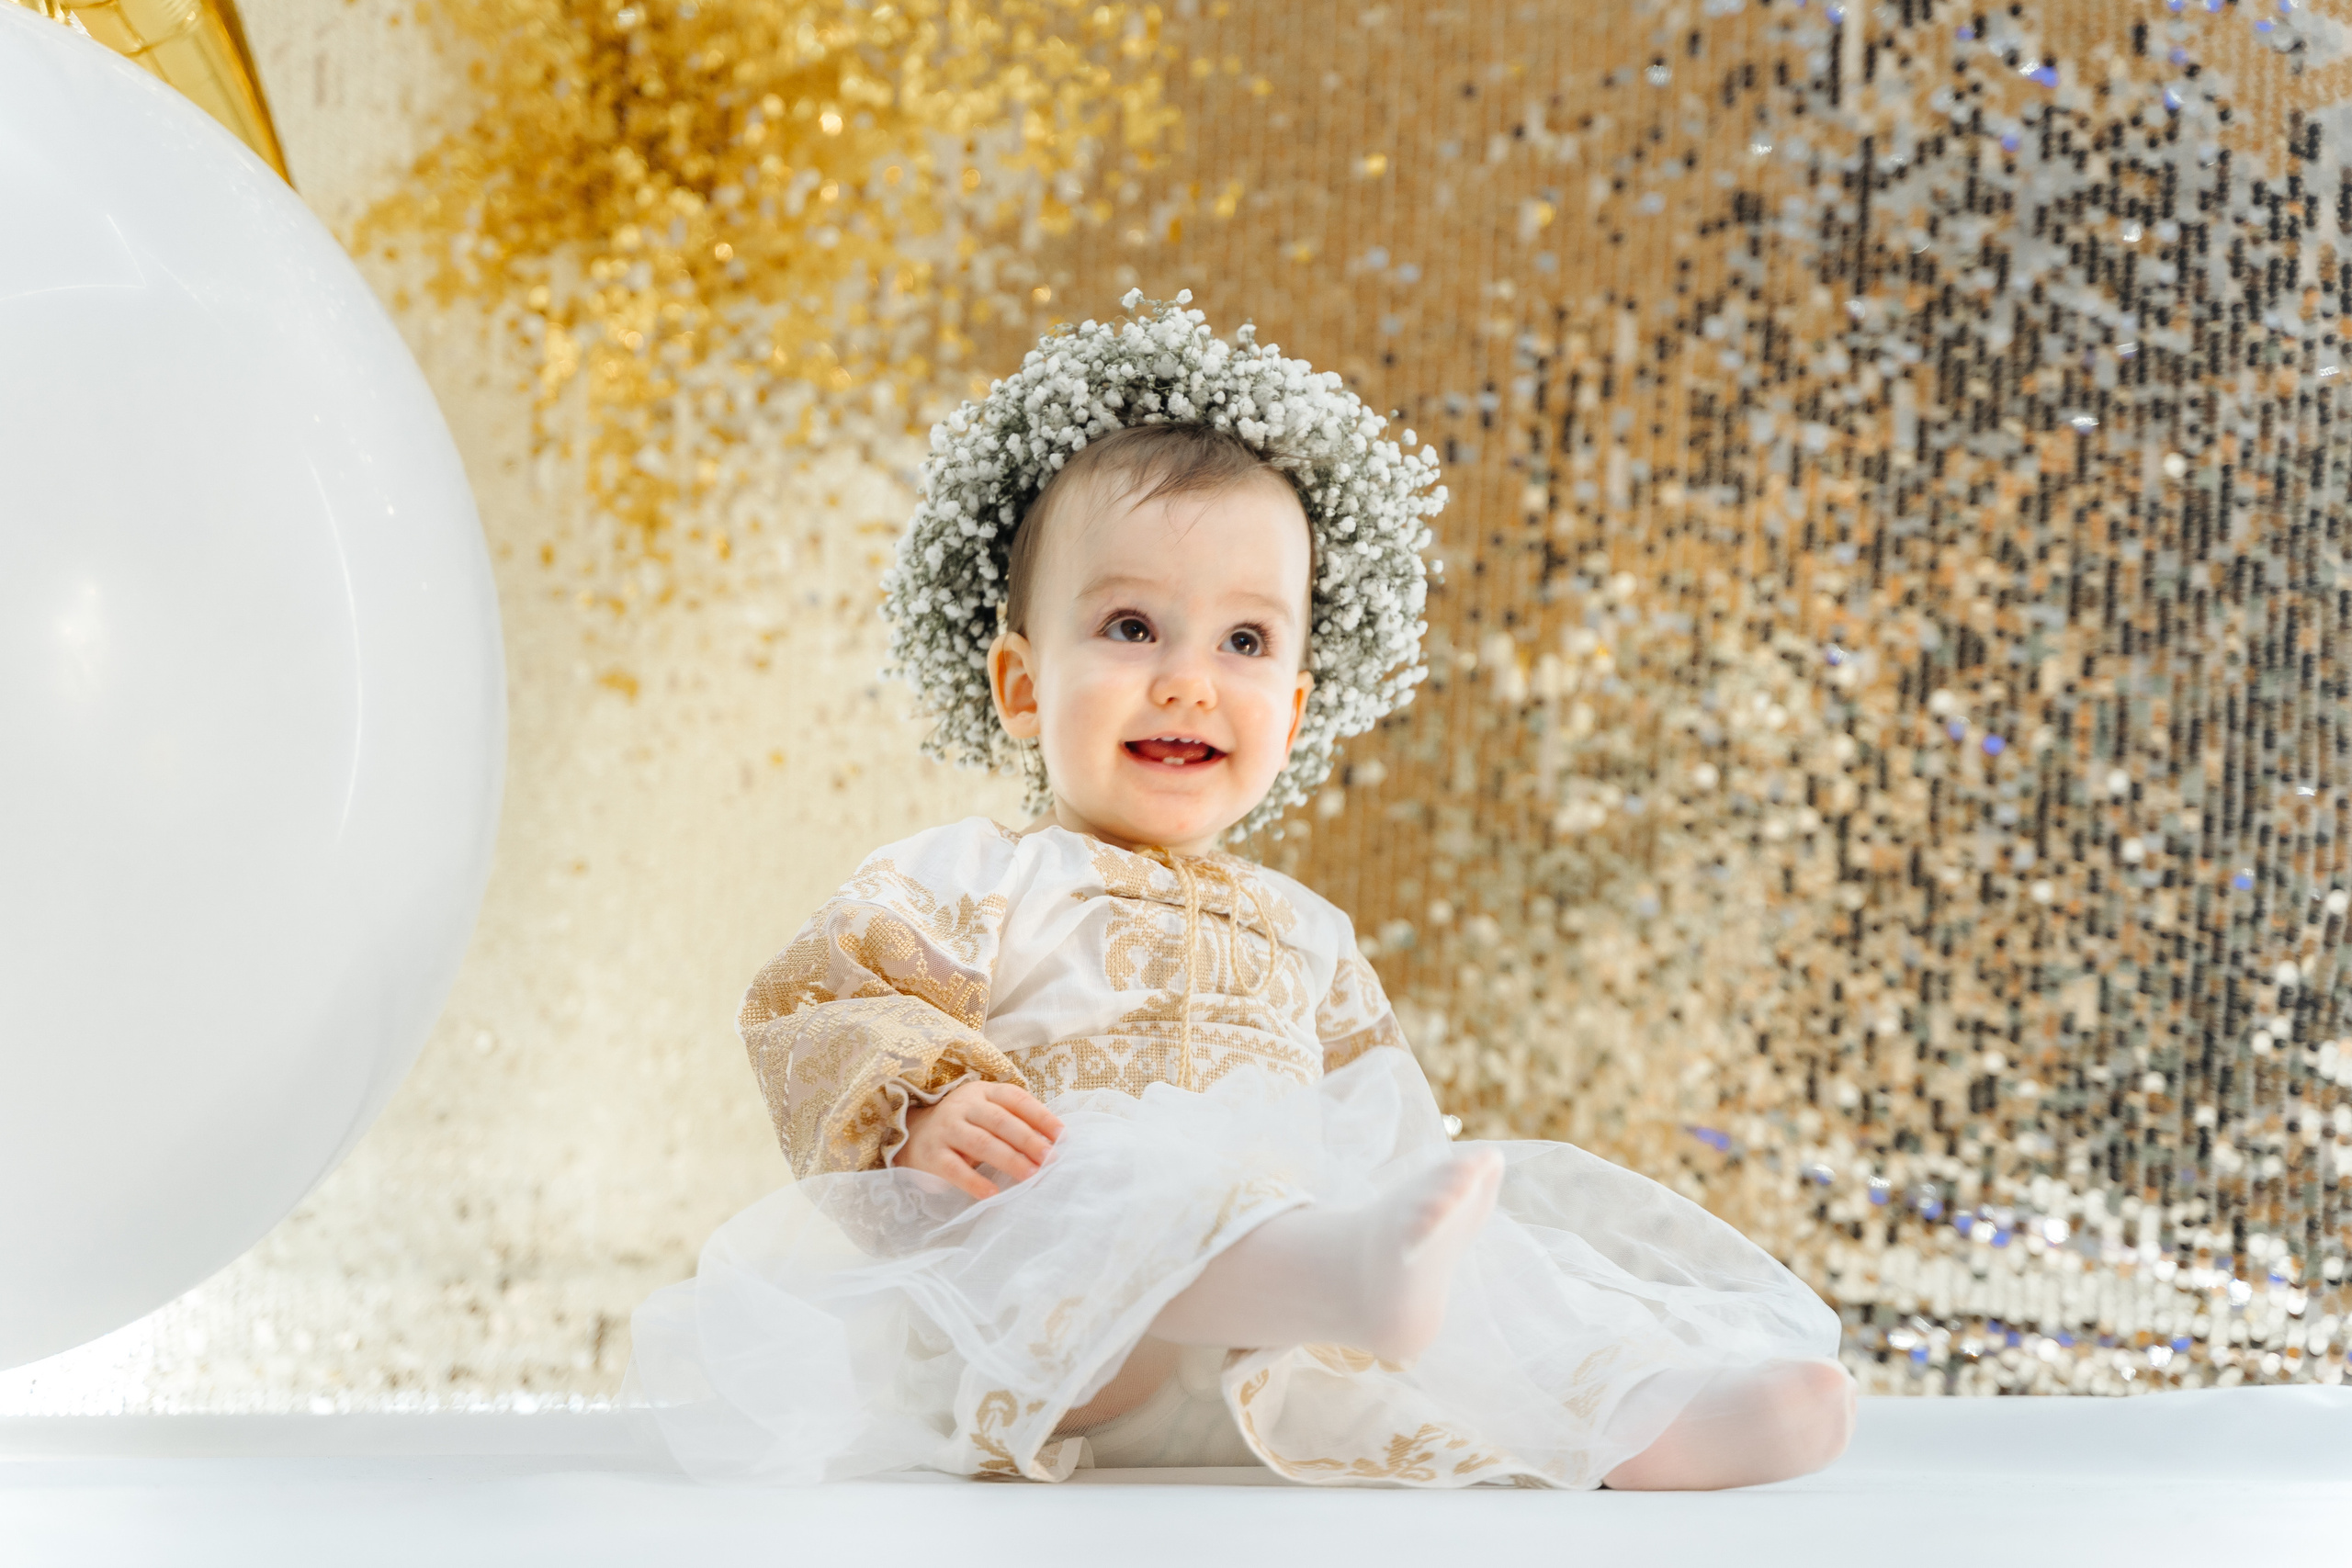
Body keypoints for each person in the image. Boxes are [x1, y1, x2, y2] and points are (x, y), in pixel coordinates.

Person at [628, 297, 1853, 1488]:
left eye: (1246, 643)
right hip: (1059, 1345)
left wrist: (1427, 1237)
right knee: (1111, 1177)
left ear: (1301, 710)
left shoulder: (1306, 932)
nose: (1186, 683)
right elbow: (824, 1001)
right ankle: (1352, 1277)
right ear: (1020, 684)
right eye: (1128, 626)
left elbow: (1385, 1126)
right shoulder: (982, 875)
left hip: (1277, 1359)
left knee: (1481, 1254)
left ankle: (1646, 1417)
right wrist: (921, 1110)